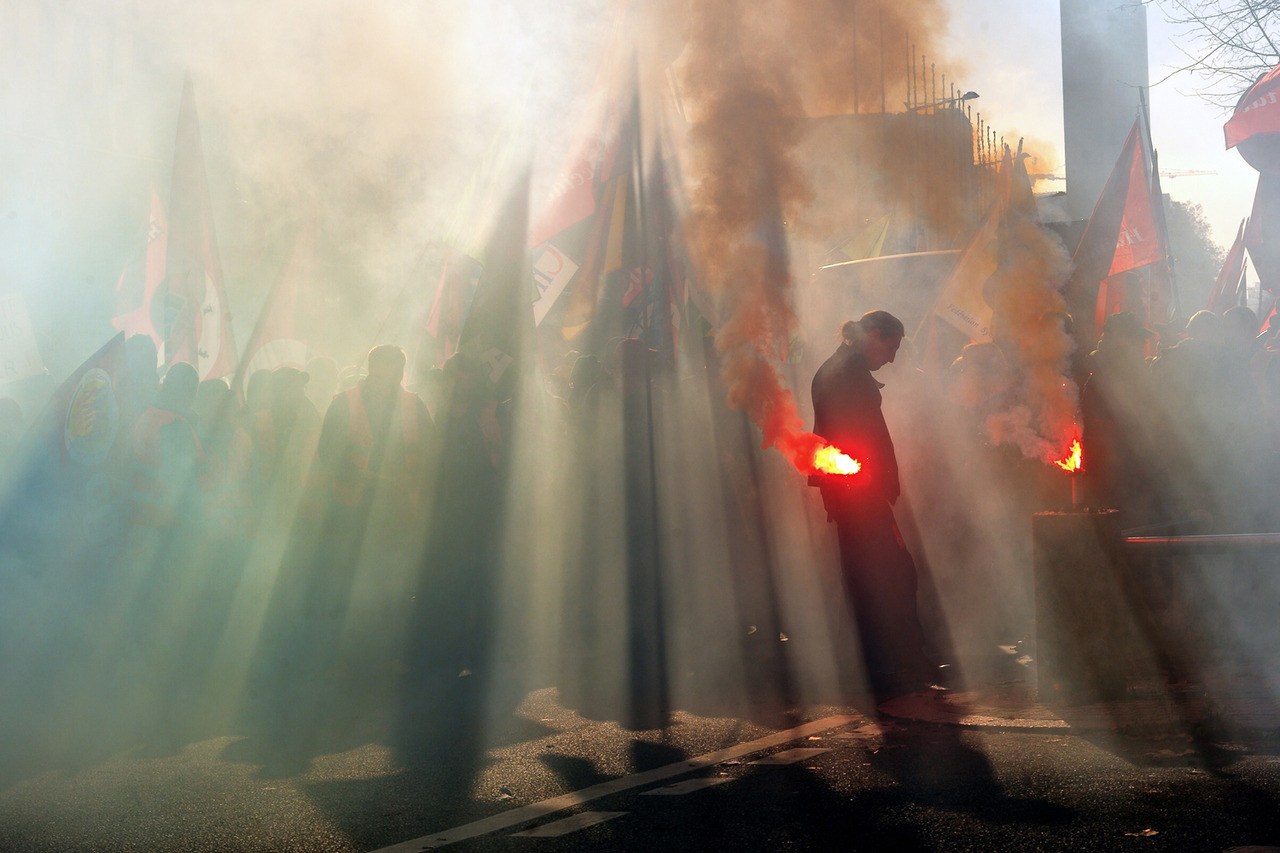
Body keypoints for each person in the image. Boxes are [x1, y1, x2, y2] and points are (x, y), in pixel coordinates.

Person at [810, 311, 933, 699]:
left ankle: (885, 665)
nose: (893, 358)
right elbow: (853, 437)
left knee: (877, 576)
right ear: (874, 335)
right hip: (859, 496)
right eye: (892, 347)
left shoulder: (842, 369)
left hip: (856, 493)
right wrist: (873, 485)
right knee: (890, 575)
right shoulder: (844, 373)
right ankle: (894, 665)